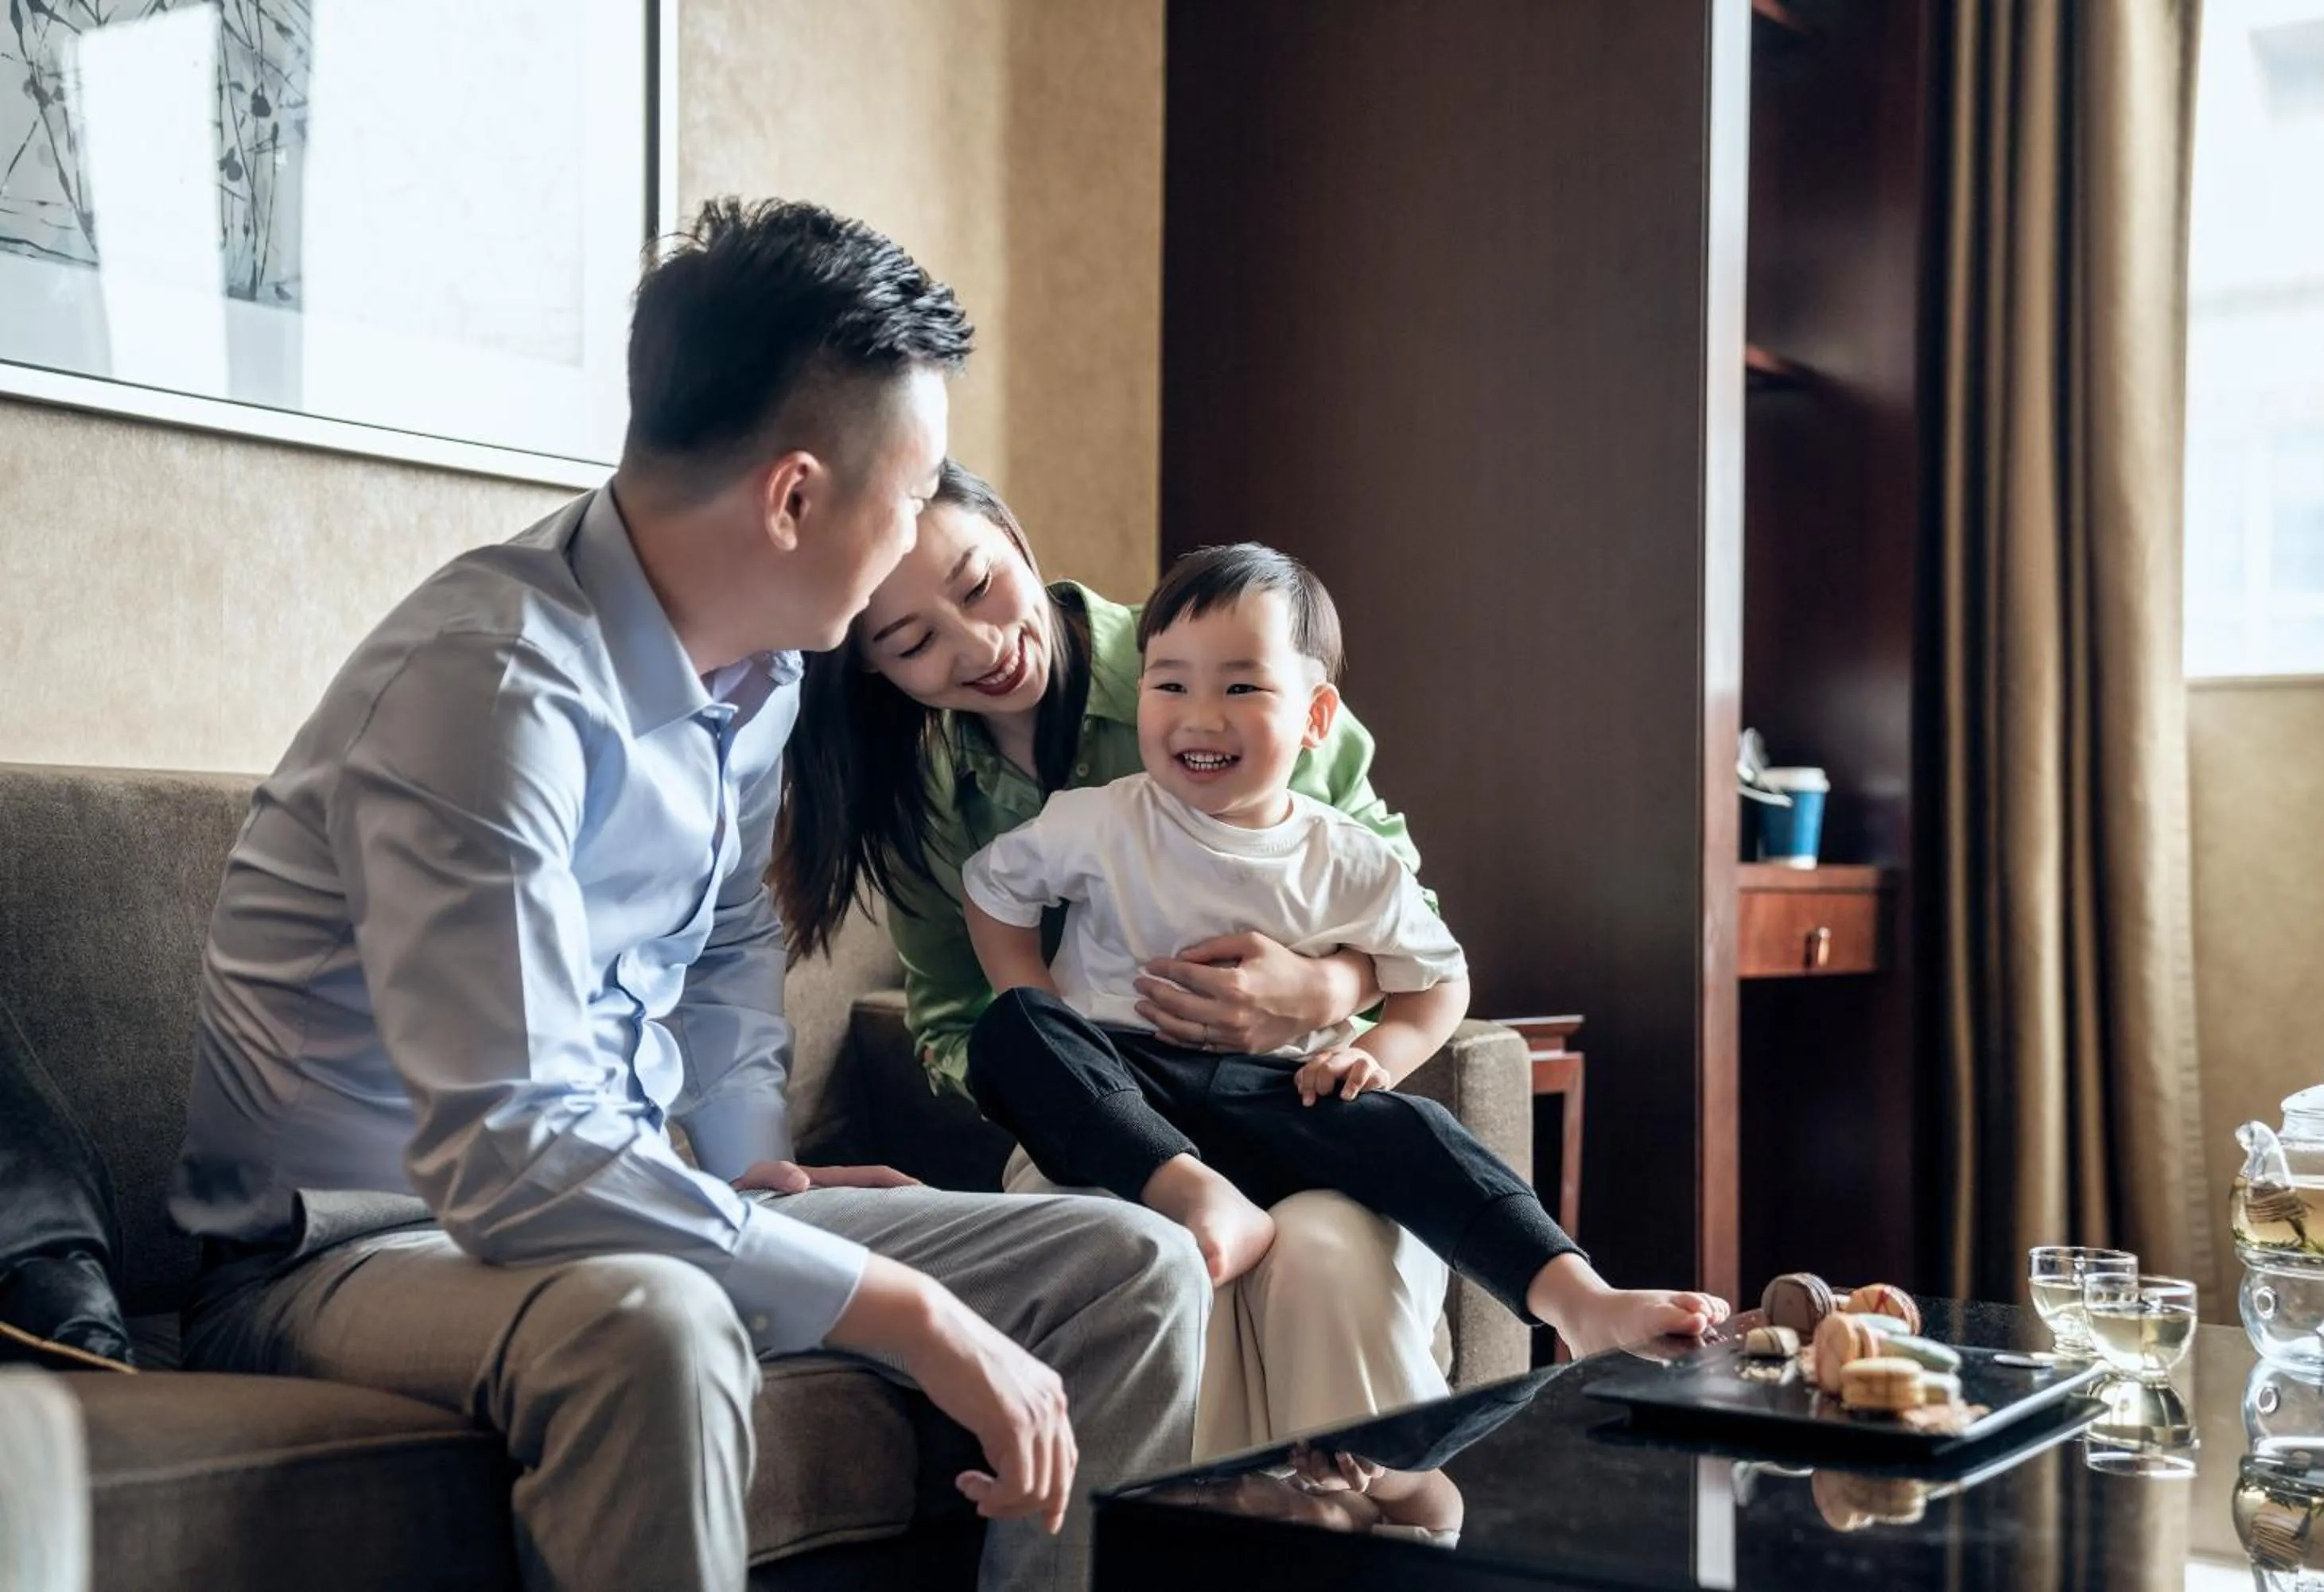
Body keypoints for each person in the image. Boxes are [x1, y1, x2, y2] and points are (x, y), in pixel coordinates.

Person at [168, 198, 1208, 1592]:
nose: (921, 525)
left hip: (612, 1191)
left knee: (1129, 1267)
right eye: (911, 494)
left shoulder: (762, 668)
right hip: (349, 1249)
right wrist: (906, 1309)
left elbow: (724, 939)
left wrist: (740, 1165)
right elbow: (512, 1152)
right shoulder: (494, 686)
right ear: (793, 495)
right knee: (657, 1320)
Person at [776, 467, 1455, 1455]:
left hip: (1301, 1107)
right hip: (1097, 1146)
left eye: (977, 584)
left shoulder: (1228, 652)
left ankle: (1380, 1538)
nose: (980, 644)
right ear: (873, 667)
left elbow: (1405, 917)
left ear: (1012, 531)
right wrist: (1081, 1078)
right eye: (914, 641)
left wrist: (1322, 986)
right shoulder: (928, 805)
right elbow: (958, 1023)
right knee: (1158, 1267)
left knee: (1329, 1259)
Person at [958, 543, 1730, 1361]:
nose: (1201, 715)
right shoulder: (1100, 819)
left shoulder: (1347, 856)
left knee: (1417, 1130)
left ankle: (1578, 1299)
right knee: (1012, 1032)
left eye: (1242, 686)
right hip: (1125, 1079)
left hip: (1279, 1091)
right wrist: (1040, 1000)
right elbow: (992, 889)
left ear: (1316, 718)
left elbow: (1438, 979)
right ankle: (1191, 1193)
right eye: (1170, 682)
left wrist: (1378, 1054)